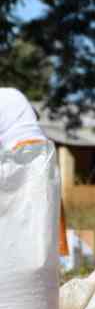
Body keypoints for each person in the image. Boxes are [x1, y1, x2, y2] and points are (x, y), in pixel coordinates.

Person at [0, 88, 69, 255]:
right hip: (43, 147)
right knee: (48, 206)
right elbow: (34, 116)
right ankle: (60, 257)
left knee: (17, 213)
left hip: (18, 151)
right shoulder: (12, 93)